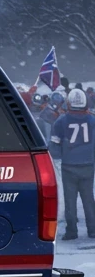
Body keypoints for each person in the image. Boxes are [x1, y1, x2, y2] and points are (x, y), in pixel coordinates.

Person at [50, 88, 95, 240]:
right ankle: (93, 230)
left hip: (68, 166)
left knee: (70, 200)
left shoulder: (61, 121)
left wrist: (58, 156)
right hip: (88, 165)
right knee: (88, 199)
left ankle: (72, 231)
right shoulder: (92, 120)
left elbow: (54, 143)